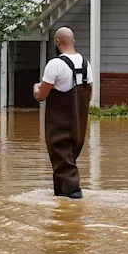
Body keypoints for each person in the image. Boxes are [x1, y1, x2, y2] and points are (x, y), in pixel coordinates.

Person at [33, 27, 91, 199]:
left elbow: (41, 96)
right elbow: (90, 94)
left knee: (61, 155)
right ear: (73, 40)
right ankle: (62, 196)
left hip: (60, 123)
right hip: (80, 124)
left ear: (57, 42)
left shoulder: (55, 64)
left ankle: (73, 193)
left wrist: (36, 88)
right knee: (67, 159)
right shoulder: (87, 64)